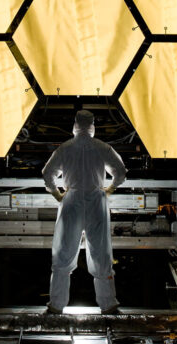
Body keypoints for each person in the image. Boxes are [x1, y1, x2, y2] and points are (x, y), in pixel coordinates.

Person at [42, 110, 127, 314]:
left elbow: (47, 174)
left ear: (75, 125)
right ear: (92, 126)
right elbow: (120, 172)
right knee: (101, 253)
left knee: (64, 253)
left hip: (71, 201)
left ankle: (56, 305)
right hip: (96, 200)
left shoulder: (65, 148)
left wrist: (57, 194)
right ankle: (108, 304)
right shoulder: (102, 147)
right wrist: (110, 189)